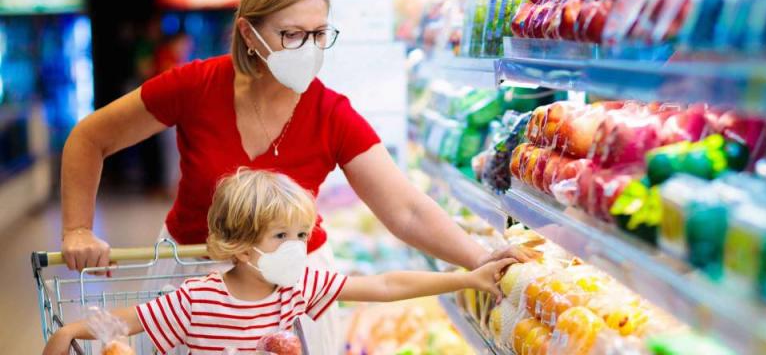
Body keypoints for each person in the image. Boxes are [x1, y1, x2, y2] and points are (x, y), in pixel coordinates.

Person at [58, 0, 532, 353]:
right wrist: (78, 227)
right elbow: (89, 138)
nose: (309, 48)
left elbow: (405, 209)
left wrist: (482, 257)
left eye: (319, 33)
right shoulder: (196, 86)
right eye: (291, 35)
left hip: (291, 284)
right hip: (191, 279)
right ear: (249, 33)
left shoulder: (331, 113)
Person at [44, 169, 515, 355]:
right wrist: (68, 333)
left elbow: (385, 285)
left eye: (302, 235)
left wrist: (464, 277)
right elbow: (120, 325)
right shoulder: (198, 298)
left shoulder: (298, 285)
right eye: (282, 236)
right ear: (243, 247)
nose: (298, 246)